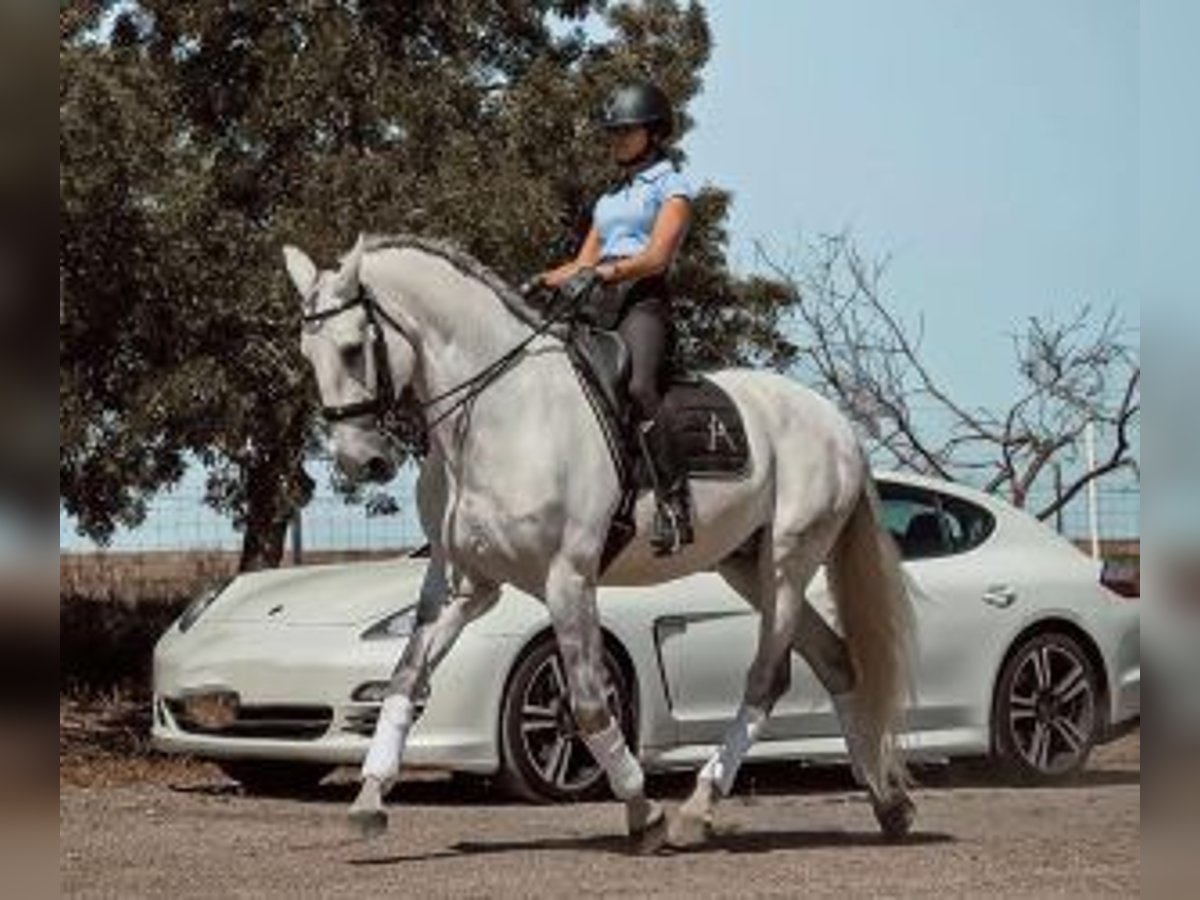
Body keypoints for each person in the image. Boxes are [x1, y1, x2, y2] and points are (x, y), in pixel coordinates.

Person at [533, 80, 695, 556]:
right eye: (613, 133)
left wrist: (606, 274)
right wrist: (542, 279)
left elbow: (657, 257)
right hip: (599, 300)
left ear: (653, 133)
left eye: (626, 131)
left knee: (640, 386)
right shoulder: (609, 198)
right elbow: (584, 263)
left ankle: (674, 500)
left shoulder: (672, 187)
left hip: (643, 301)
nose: (617, 140)